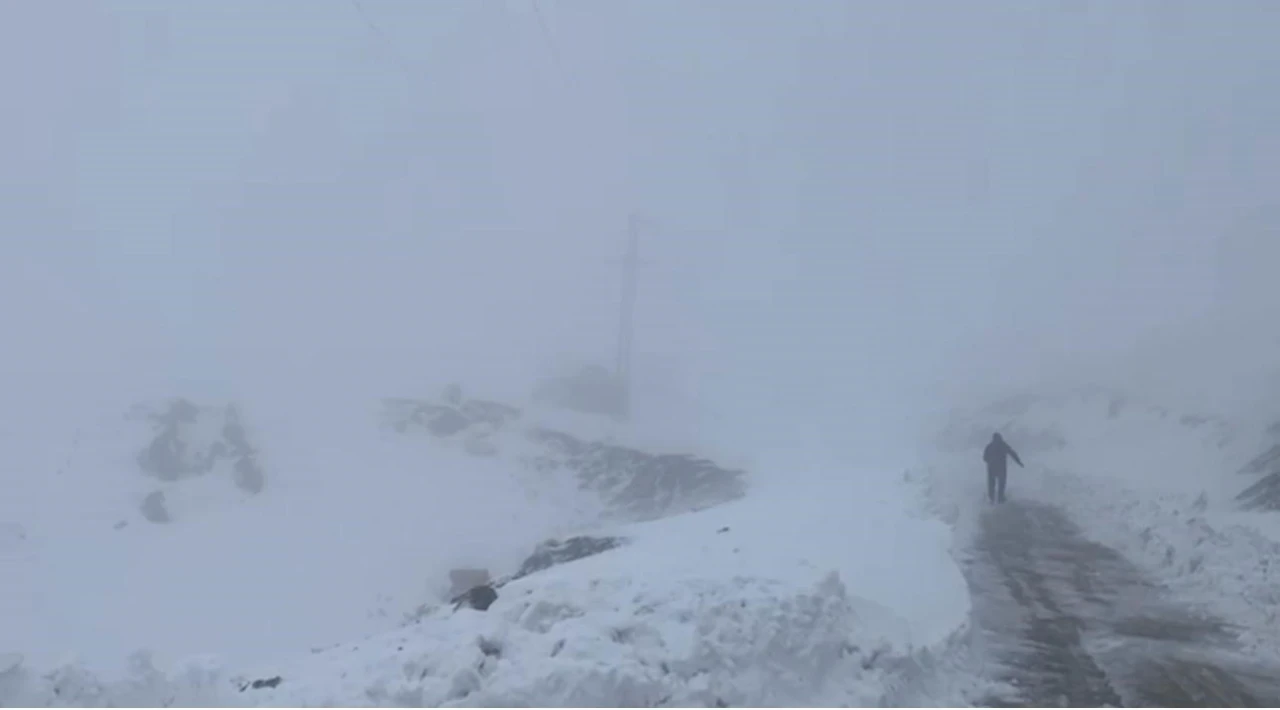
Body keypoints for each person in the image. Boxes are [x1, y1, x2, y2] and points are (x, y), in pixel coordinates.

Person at [983, 432, 1023, 503]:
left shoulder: (989, 446)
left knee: (991, 485)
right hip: (1000, 469)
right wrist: (1019, 462)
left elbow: (985, 458)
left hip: (992, 469)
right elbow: (1012, 453)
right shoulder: (1003, 445)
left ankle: (992, 500)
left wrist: (990, 461)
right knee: (1001, 485)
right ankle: (1000, 499)